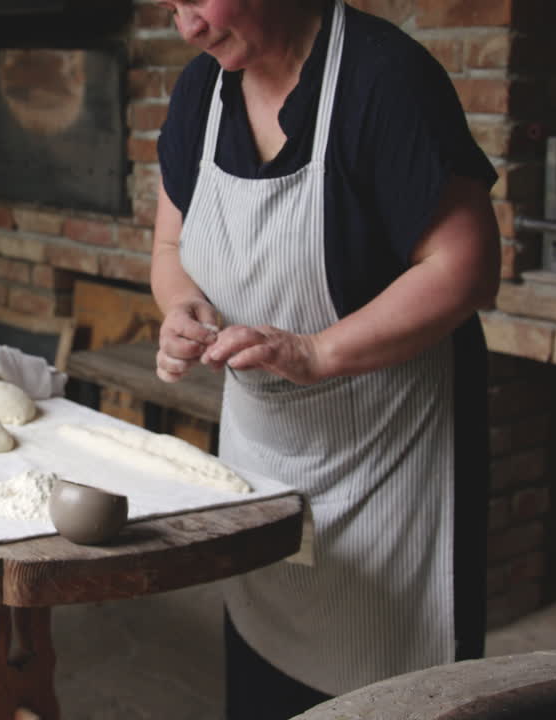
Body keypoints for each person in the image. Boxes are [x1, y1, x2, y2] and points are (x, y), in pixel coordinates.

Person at [150, 0, 501, 717]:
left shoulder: (384, 79)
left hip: (394, 456)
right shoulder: (200, 92)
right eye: (170, 5)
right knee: (262, 662)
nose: (186, 26)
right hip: (264, 449)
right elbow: (168, 248)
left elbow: (465, 268)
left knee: (396, 691)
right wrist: (182, 308)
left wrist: (316, 351)